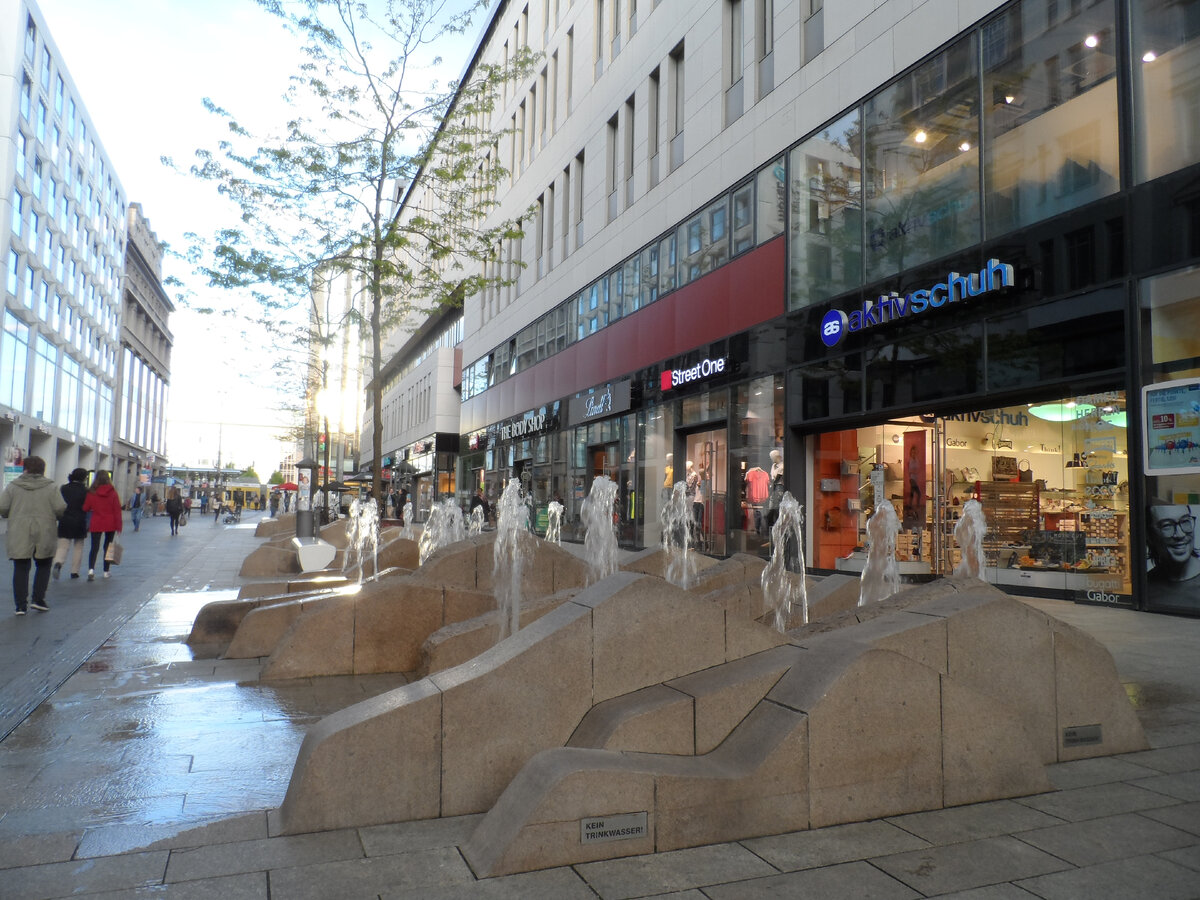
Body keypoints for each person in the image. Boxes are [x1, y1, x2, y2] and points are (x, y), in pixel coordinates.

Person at [0, 456, 66, 614]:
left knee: (21, 567)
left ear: (25, 468)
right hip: (45, 530)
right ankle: (38, 599)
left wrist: (12, 514)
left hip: (19, 531)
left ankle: (20, 605)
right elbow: (60, 507)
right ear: (43, 469)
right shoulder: (51, 487)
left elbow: (2, 507)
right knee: (43, 564)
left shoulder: (13, 486)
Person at [1146, 500, 1200, 609]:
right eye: (1167, 526)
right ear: (1150, 536)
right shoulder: (1145, 587)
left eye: (1185, 521)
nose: (1180, 534)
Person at [83, 470, 123, 581]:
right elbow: (117, 510)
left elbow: (86, 508)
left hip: (96, 521)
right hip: (110, 522)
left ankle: (91, 570)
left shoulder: (91, 492)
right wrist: (119, 526)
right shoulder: (113, 492)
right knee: (107, 547)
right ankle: (106, 571)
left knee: (94, 547)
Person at [53, 468, 90, 580]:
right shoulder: (85, 490)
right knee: (78, 546)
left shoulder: (64, 488)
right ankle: (74, 571)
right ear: (83, 478)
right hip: (80, 520)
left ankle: (58, 563)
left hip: (65, 519)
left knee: (62, 545)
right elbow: (87, 507)